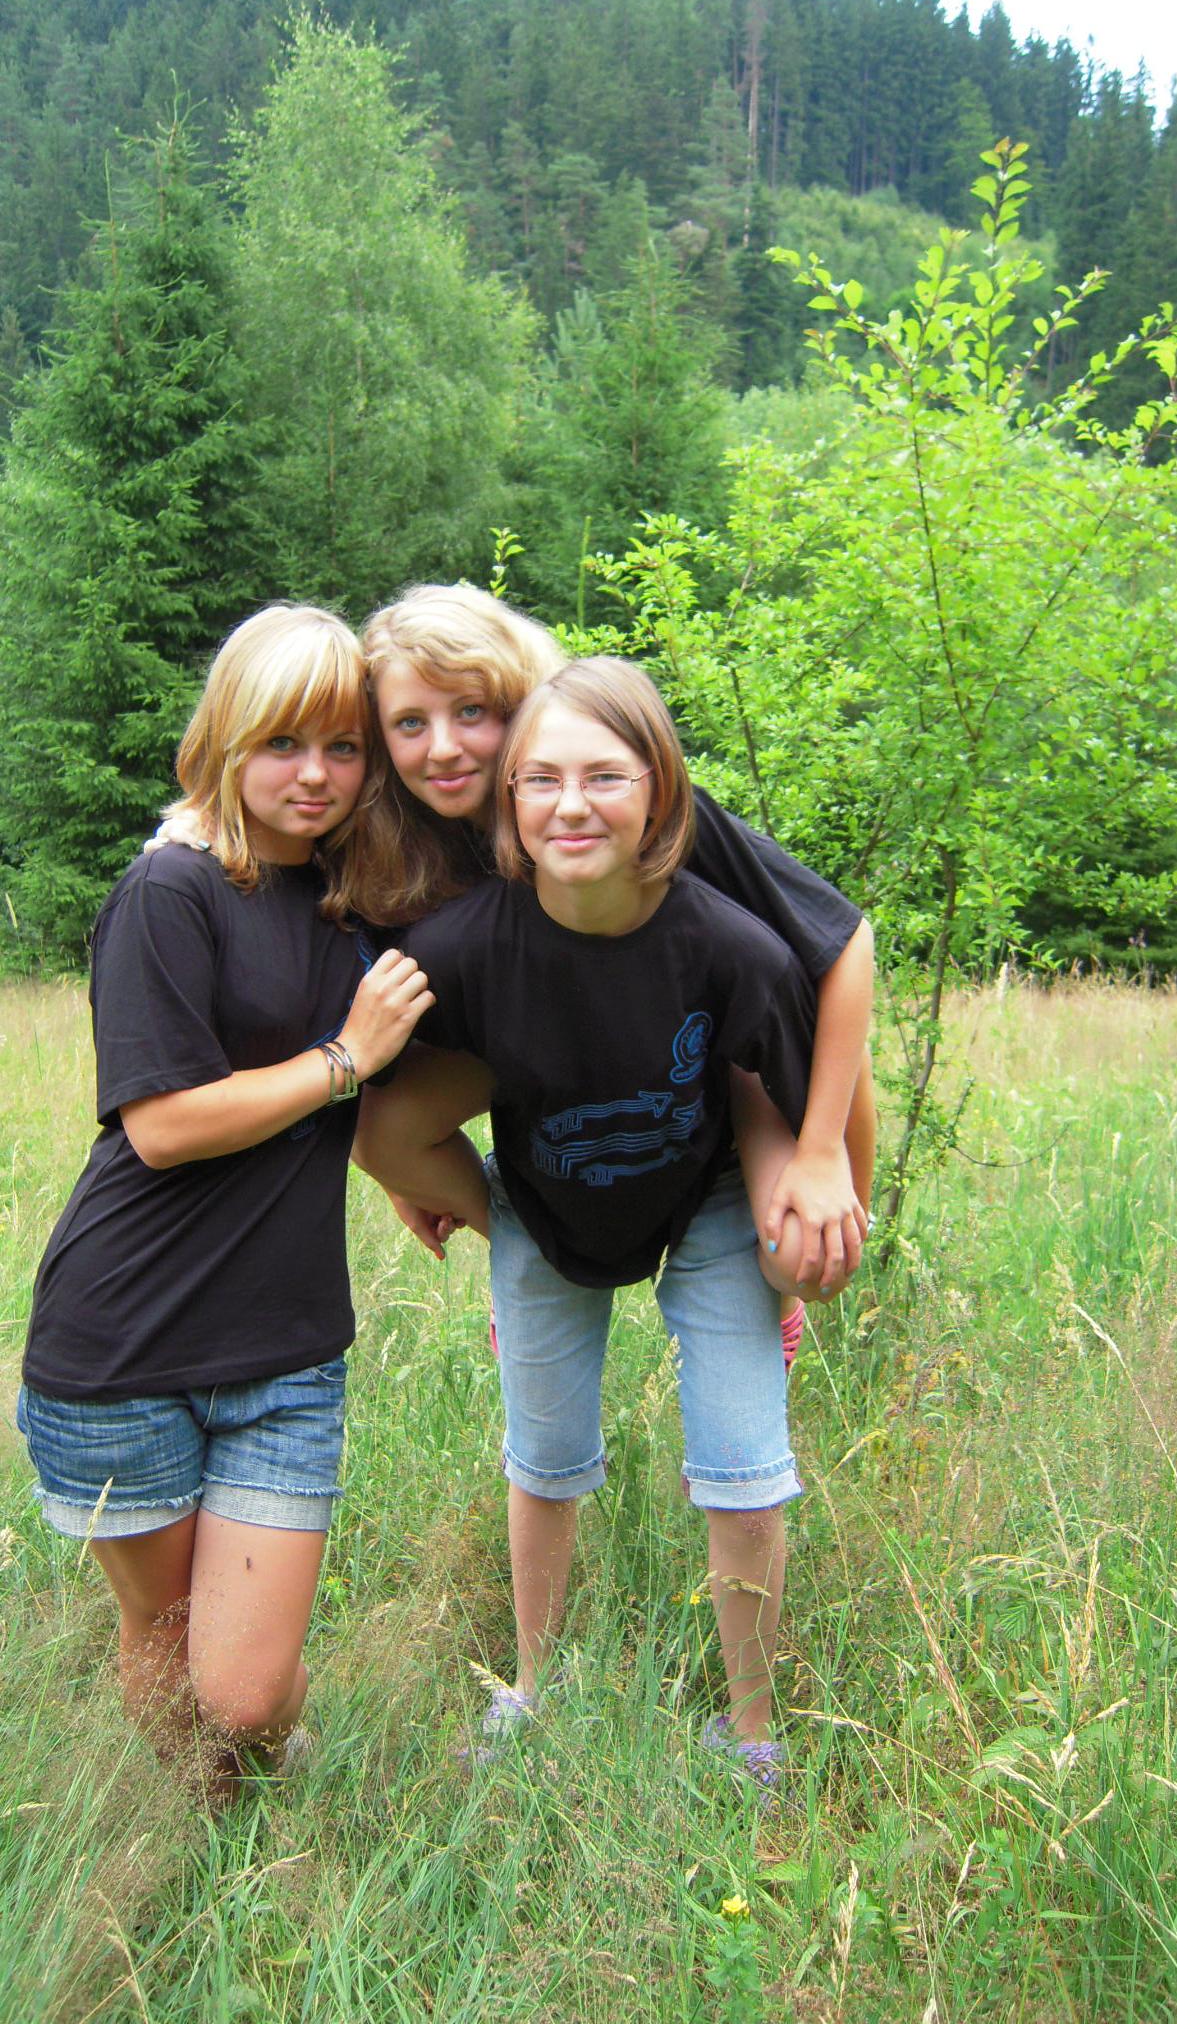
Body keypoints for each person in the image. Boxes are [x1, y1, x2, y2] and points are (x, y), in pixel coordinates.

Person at [353, 658, 839, 1793]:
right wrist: (479, 1208)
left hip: (708, 1195)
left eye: (605, 777)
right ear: (509, 802)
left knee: (745, 1465)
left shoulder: (736, 948)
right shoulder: (460, 945)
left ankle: (752, 1731)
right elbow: (381, 1121)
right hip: (540, 1199)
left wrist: (803, 1245)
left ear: (660, 791)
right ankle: (532, 1688)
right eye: (541, 780)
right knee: (544, 1456)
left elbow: (804, 1093)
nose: (571, 805)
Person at [18, 605, 434, 1800]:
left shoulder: (351, 899)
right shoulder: (170, 890)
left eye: (343, 746)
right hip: (125, 1341)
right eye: (282, 742)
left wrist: (403, 1164)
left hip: (284, 1346)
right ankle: (219, 1838)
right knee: (163, 1631)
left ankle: (268, 1753)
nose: (315, 774)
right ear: (226, 739)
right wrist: (343, 1061)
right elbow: (161, 1124)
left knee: (245, 1688)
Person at [347, 584, 877, 1319]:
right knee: (378, 1131)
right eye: (410, 722)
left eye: (471, 710)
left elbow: (840, 945)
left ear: (521, 705)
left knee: (809, 1258)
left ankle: (771, 1282)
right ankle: (529, 1256)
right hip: (546, 1048)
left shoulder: (624, 809)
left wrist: (825, 1161)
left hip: (710, 1047)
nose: (442, 746)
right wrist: (406, 1173)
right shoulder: (397, 842)